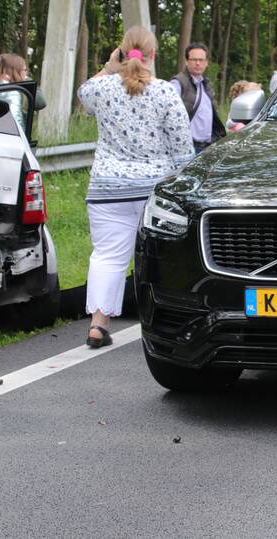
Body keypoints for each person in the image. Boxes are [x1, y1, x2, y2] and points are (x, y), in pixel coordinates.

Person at [77, 26, 193, 348]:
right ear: (153, 55)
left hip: (107, 188)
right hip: (152, 190)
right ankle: (168, 323)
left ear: (121, 53)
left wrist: (109, 67)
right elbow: (183, 149)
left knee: (107, 257)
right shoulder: (166, 92)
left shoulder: (101, 90)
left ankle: (98, 325)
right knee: (163, 256)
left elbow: (83, 92)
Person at [169, 43, 225, 152]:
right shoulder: (178, 83)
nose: (198, 63)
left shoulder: (207, 84)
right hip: (188, 148)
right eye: (194, 60)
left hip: (209, 147)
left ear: (207, 63)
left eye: (201, 60)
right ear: (186, 61)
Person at [0, 53, 44, 133]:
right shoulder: (21, 91)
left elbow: (41, 102)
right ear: (15, 71)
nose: (26, 73)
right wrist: (26, 80)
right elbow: (42, 102)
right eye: (25, 70)